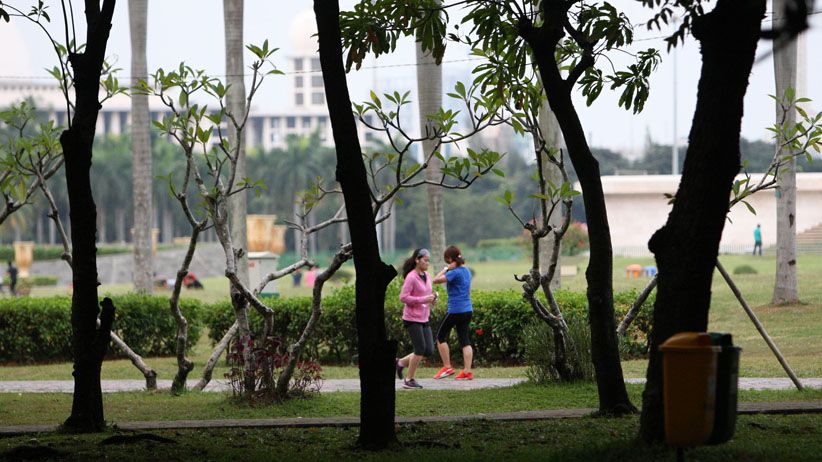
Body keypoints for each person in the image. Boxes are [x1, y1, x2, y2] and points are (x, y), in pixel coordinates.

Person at [395, 249, 437, 389]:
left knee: (429, 350)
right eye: (425, 260)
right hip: (412, 318)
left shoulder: (428, 275)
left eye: (428, 260)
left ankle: (399, 363)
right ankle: (409, 379)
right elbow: (403, 297)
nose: (427, 263)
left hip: (424, 317)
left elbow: (428, 293)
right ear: (417, 260)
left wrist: (432, 298)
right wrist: (423, 299)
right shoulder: (411, 277)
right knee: (419, 348)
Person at [432, 245, 474, 380]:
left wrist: (445, 269)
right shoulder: (466, 270)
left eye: (447, 260)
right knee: (465, 341)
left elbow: (436, 280)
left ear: (450, 259)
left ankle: (447, 367)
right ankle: (467, 371)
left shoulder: (454, 272)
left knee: (440, 336)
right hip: (468, 310)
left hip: (456, 310)